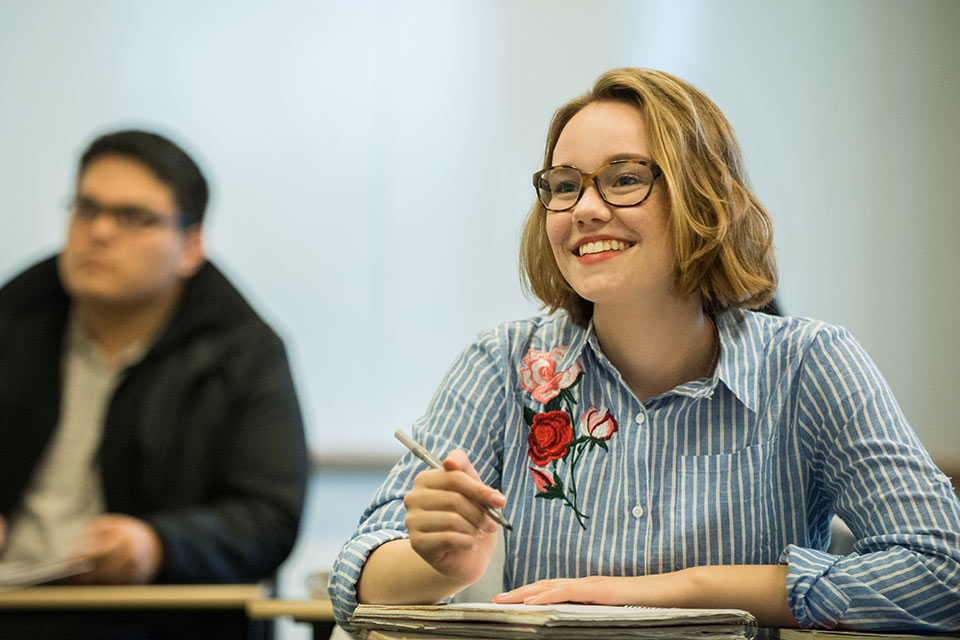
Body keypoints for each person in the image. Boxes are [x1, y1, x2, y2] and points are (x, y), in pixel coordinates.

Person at [329, 68, 960, 632]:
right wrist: (435, 564)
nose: (585, 209)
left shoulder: (809, 363)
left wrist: (685, 592)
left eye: (625, 179)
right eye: (564, 185)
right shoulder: (502, 365)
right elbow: (354, 577)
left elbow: (942, 571)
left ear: (703, 198)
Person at [0, 130, 309, 585]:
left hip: (150, 613)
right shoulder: (14, 319)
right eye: (87, 208)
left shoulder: (242, 352)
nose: (99, 231)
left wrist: (158, 545)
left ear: (190, 246)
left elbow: (269, 518)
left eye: (133, 216)